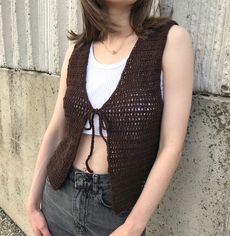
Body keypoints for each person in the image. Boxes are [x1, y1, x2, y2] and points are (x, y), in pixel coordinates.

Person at [26, 0, 194, 235]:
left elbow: (172, 146)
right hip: (58, 197)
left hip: (115, 211)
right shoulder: (77, 50)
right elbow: (55, 131)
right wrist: (32, 204)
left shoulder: (170, 41)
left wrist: (134, 226)